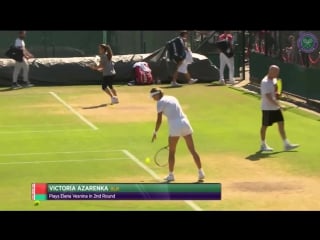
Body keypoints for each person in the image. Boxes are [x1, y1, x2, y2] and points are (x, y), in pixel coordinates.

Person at [150, 87, 205, 182]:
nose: (152, 98)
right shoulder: (172, 97)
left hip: (174, 125)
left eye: (152, 96)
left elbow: (159, 120)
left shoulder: (160, 103)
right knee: (192, 150)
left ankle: (171, 175)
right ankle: (201, 172)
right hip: (185, 122)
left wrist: (155, 132)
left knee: (172, 152)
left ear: (157, 94)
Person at [260, 65, 299, 152]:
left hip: (275, 107)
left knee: (281, 124)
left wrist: (277, 92)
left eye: (278, 72)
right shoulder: (265, 82)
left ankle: (286, 144)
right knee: (265, 126)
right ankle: (263, 144)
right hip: (267, 108)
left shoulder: (274, 79)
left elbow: (275, 91)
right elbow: (268, 97)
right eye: (276, 72)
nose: (277, 74)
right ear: (271, 71)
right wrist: (280, 105)